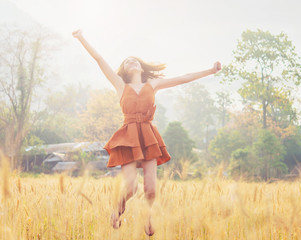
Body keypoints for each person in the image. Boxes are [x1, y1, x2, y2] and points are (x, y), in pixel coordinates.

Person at [72, 29, 221, 236]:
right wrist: (81, 38)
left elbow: (184, 78)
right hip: (129, 137)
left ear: (141, 66)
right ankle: (117, 209)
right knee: (131, 188)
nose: (131, 62)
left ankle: (148, 218)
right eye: (127, 62)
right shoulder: (120, 85)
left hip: (149, 136)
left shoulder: (153, 84)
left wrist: (210, 71)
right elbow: (99, 59)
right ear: (124, 70)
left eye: (134, 60)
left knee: (151, 190)